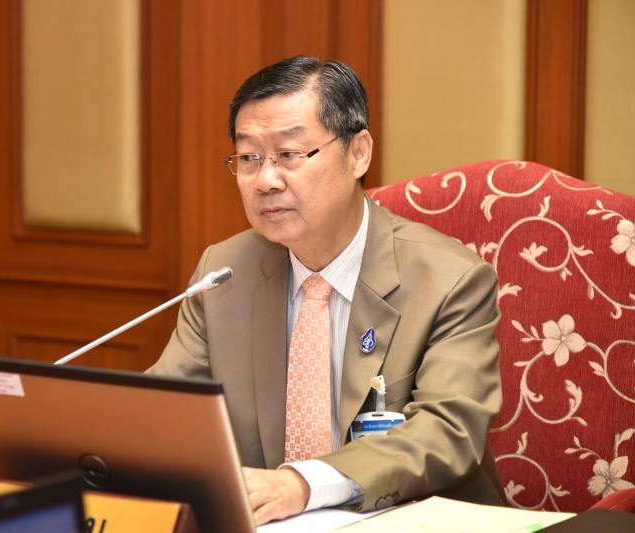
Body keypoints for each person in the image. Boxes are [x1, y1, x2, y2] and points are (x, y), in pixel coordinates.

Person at [146, 55, 504, 525]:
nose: (266, 180)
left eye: (290, 154)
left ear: (358, 154)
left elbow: (447, 432)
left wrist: (302, 484)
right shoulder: (225, 272)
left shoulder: (449, 280)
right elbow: (162, 413)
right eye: (249, 158)